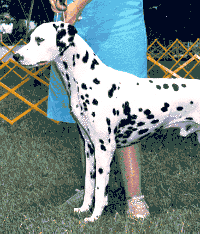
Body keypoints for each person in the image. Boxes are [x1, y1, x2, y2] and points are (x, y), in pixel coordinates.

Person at [48, 0, 149, 219]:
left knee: (124, 113)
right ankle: (90, 192)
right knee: (83, 113)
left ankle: (135, 197)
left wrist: (79, 4)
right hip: (75, 17)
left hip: (118, 20)